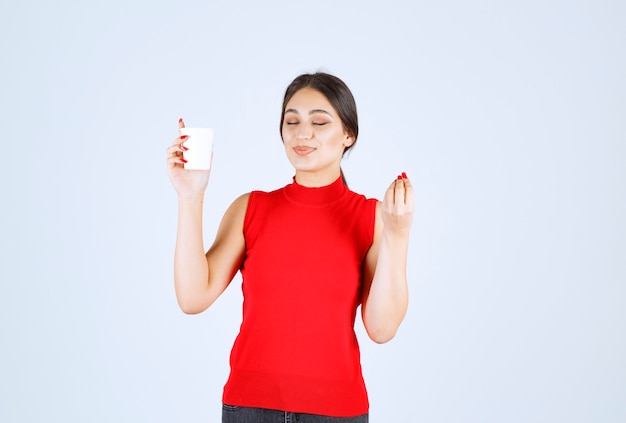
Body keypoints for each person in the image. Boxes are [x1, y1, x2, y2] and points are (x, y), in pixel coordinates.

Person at [166, 72, 414, 422]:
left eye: (319, 122)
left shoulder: (372, 216)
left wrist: (398, 234)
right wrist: (190, 196)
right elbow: (193, 297)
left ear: (348, 135)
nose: (303, 133)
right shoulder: (250, 208)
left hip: (337, 412)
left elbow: (382, 328)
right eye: (292, 121)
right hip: (249, 409)